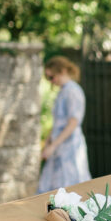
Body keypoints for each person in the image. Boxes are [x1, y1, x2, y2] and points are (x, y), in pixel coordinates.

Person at [37, 56, 91, 193]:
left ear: (61, 71)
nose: (51, 82)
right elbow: (57, 122)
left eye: (52, 77)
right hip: (59, 145)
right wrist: (48, 141)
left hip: (70, 146)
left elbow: (73, 123)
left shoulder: (73, 91)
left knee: (72, 187)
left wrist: (53, 146)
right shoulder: (63, 91)